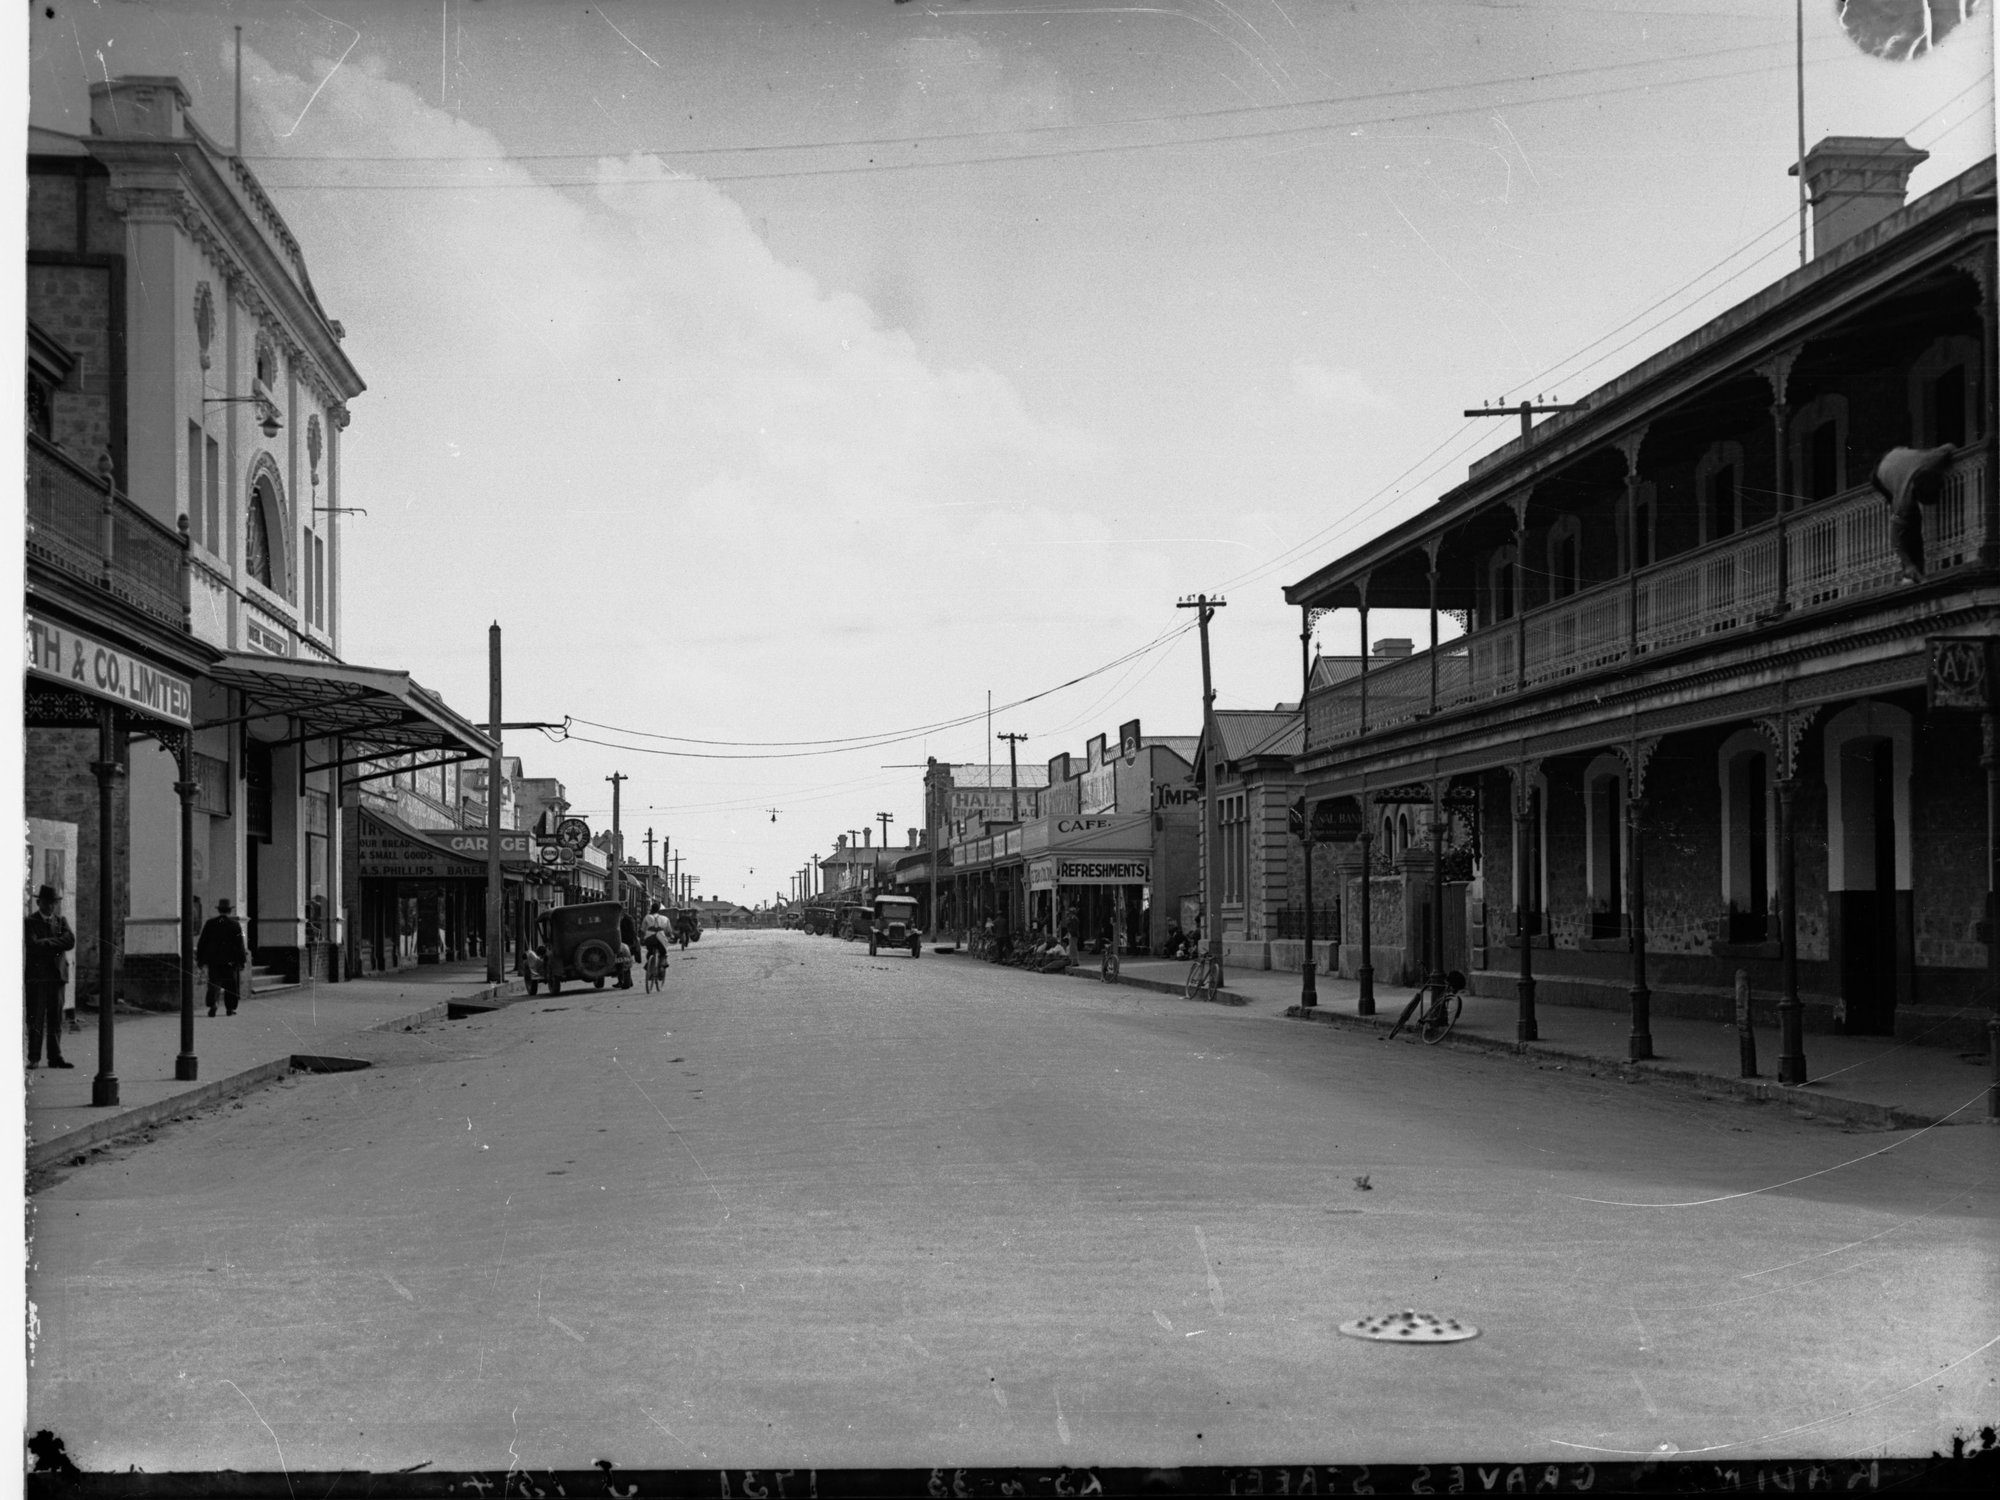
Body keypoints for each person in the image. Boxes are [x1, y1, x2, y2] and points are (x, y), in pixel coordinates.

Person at [1872, 444, 1958, 583]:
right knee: (1911, 521)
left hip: (1897, 455)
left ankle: (1915, 570)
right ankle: (1910, 573)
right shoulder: (1903, 500)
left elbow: (1949, 447)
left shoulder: (1931, 459)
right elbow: (1895, 539)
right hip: (1879, 472)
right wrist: (1908, 564)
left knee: (1911, 520)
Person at [24, 883, 75, 1069]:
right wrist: (56, 944)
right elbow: (33, 945)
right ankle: (34, 1057)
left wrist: (46, 942)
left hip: (57, 976)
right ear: (39, 903)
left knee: (56, 1018)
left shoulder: (61, 921)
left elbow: (70, 941)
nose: (51, 906)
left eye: (54, 903)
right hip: (38, 978)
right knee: (35, 1019)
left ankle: (55, 1057)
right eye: (47, 902)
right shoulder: (30, 922)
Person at [196, 897, 248, 1017]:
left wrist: (200, 959)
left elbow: (202, 942)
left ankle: (213, 1003)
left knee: (214, 982)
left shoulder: (210, 923)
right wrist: (242, 961)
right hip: (230, 961)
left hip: (214, 960)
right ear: (229, 911)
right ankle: (230, 1008)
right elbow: (239, 944)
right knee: (231, 985)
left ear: (219, 910)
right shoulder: (235, 924)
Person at [641, 901, 673, 977]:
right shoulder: (665, 918)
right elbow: (669, 931)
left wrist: (642, 938)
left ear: (651, 909)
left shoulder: (647, 917)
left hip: (649, 938)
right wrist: (670, 936)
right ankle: (662, 965)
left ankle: (649, 965)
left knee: (650, 952)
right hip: (661, 938)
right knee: (663, 953)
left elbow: (643, 930)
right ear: (659, 910)